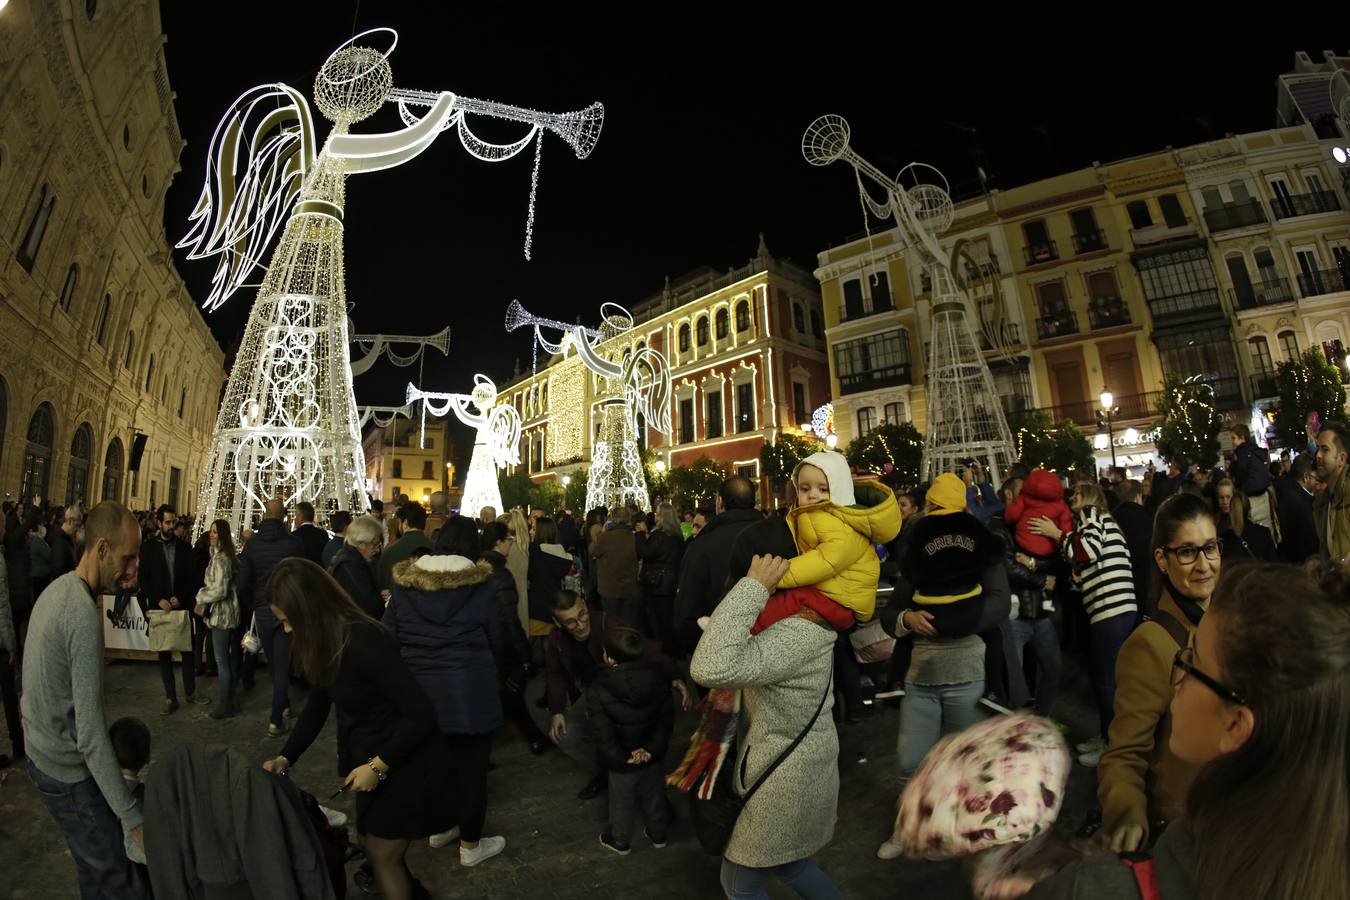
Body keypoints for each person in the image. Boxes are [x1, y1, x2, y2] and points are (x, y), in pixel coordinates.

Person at [1018, 561, 1349, 900]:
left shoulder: (1091, 889)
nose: (1178, 679)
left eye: (1193, 664)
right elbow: (1126, 751)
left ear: (1234, 725)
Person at [261, 559, 452, 900]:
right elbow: (318, 705)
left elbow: (421, 714)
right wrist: (285, 757)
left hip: (403, 761)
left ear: (309, 610)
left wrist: (378, 766)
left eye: (289, 621)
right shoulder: (325, 641)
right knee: (371, 845)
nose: (287, 630)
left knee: (383, 856)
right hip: (371, 761)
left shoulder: (365, 641)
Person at [690, 555, 845, 900]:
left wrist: (753, 586)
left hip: (782, 782)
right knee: (790, 865)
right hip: (787, 772)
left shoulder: (796, 632)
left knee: (739, 886)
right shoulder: (794, 620)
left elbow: (710, 665)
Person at [22, 501, 150, 898]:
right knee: (121, 881)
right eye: (128, 557)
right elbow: (91, 735)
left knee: (95, 871)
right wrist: (134, 821)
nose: (133, 570)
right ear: (101, 549)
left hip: (42, 755)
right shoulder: (79, 611)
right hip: (65, 772)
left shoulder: (59, 588)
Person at [1098, 492, 1218, 851]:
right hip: (1186, 834)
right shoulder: (1150, 644)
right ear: (1162, 560)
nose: (1203, 564)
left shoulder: (1231, 622)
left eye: (1209, 548)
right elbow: (1124, 755)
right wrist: (1128, 819)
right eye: (1187, 552)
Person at [384, 543, 509, 866]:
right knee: (472, 771)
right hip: (471, 691)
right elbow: (498, 637)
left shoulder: (404, 588)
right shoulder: (479, 588)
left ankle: (441, 827)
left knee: (436, 767)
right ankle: (470, 845)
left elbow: (389, 636)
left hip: (420, 693)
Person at [1028, 481, 1137, 763]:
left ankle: (1112, 746)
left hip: (1110, 609)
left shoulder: (1090, 514)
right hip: (1117, 608)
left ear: (1089, 497)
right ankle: (1107, 736)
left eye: (1076, 493)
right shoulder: (1101, 521)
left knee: (1105, 680)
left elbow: (1086, 550)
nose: (1071, 496)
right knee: (1106, 677)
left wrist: (1057, 534)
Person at [774, 451, 901, 624]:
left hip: (845, 602)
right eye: (804, 489)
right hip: (831, 593)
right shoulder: (813, 515)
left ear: (839, 490)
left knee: (784, 603)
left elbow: (824, 561)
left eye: (823, 489)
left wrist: (776, 576)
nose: (812, 494)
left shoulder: (842, 523)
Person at [589, 624, 675, 855]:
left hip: (623, 759)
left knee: (621, 801)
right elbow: (666, 720)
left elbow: (602, 732)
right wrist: (651, 750)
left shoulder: (598, 689)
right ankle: (659, 835)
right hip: (651, 755)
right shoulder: (659, 678)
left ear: (611, 660)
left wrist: (621, 757)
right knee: (655, 796)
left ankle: (619, 840)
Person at [990, 479, 1061, 718]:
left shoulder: (1033, 521)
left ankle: (1039, 720)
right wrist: (1040, 579)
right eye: (1024, 495)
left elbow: (1054, 559)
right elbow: (1007, 566)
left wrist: (1033, 563)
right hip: (1013, 617)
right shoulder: (997, 525)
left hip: (1040, 612)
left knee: (1053, 670)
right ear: (1009, 495)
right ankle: (1013, 734)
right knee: (1013, 681)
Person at [479, 520, 549, 754]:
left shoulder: (480, 568)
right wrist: (524, 654)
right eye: (508, 540)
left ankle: (533, 737)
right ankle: (533, 737)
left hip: (487, 645)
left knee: (509, 697)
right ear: (499, 543)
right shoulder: (500, 574)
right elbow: (509, 619)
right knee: (511, 695)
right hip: (503, 646)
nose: (510, 544)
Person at [673, 476, 763, 656]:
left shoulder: (703, 544)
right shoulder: (775, 535)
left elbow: (688, 605)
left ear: (720, 502)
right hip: (768, 641)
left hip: (716, 644)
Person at [235, 497, 303, 735]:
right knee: (281, 662)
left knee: (275, 661)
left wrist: (252, 603)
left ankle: (281, 705)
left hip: (262, 608)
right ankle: (277, 717)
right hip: (285, 610)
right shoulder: (293, 544)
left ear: (264, 516)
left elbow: (243, 582)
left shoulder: (252, 546)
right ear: (284, 516)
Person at [137, 504, 206, 715]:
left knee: (187, 651)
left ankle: (191, 692)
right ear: (159, 523)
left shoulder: (185, 548)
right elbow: (144, 580)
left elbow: (192, 579)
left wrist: (181, 597)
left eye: (173, 522)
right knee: (164, 654)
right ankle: (170, 697)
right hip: (161, 610)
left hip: (181, 607)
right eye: (167, 522)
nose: (171, 526)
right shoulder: (149, 548)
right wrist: (158, 600)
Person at [194, 519, 241, 720]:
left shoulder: (221, 559)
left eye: (214, 532)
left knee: (221, 660)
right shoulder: (222, 556)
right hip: (225, 613)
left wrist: (201, 596)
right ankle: (228, 698)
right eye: (210, 532)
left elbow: (220, 590)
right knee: (225, 660)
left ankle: (225, 702)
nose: (211, 535)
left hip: (221, 616)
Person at [635, 502, 685, 649]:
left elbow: (646, 552)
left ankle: (662, 650)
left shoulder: (658, 535)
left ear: (662, 517)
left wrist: (640, 535)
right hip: (671, 583)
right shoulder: (677, 536)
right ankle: (672, 650)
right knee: (667, 618)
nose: (655, 517)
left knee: (656, 620)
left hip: (656, 583)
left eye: (657, 514)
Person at [1004, 468, 1072, 562]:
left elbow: (1013, 515)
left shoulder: (1024, 497)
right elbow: (1066, 528)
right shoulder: (1062, 506)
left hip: (1024, 542)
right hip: (1050, 549)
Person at [109, 717, 150, 868]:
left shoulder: (97, 789)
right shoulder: (140, 798)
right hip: (132, 871)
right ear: (147, 757)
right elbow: (135, 850)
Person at [591, 507, 642, 628]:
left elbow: (593, 551)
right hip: (630, 587)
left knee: (611, 623)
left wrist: (602, 532)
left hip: (609, 588)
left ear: (612, 519)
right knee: (628, 622)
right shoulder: (634, 537)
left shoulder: (605, 537)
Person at [1110, 480, 1154, 617]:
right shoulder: (1148, 519)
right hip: (1143, 583)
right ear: (1138, 496)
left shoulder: (1111, 520)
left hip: (1119, 588)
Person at [329, 514, 386, 620]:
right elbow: (368, 605)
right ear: (361, 543)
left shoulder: (351, 559)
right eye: (375, 544)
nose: (377, 550)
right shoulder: (350, 565)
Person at [526, 515, 573, 638]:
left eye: (534, 529)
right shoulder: (561, 556)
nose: (530, 531)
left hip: (536, 613)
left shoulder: (535, 554)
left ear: (543, 532)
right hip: (558, 611)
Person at [1213, 478, 1277, 563]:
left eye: (1228, 497)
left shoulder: (1227, 538)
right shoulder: (1214, 523)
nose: (1225, 501)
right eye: (1221, 497)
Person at [1314, 419, 1350, 562]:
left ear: (1341, 459)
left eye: (1325, 449)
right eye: (1318, 448)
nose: (1318, 455)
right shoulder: (1324, 500)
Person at [378, 503, 433, 591]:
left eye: (399, 522)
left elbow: (382, 585)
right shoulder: (435, 548)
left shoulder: (390, 550)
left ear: (405, 523)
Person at [1274, 454, 1318, 563]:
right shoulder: (1302, 502)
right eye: (1316, 478)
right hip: (1304, 562)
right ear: (1306, 477)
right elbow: (1310, 538)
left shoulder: (1287, 490)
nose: (1317, 482)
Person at [1229, 423, 1273, 529]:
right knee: (1266, 525)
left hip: (1251, 494)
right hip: (1264, 493)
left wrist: (1237, 484)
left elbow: (1241, 470)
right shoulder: (1254, 451)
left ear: (1242, 438)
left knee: (1254, 526)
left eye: (1234, 438)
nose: (1232, 442)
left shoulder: (1242, 451)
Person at [49, 502, 82, 579]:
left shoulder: (66, 538)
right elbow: (58, 570)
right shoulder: (59, 540)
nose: (77, 529)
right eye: (77, 525)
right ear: (70, 521)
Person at [291, 501, 328, 566]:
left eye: (296, 515)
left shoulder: (294, 536)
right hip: (318, 573)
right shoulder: (323, 534)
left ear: (300, 516)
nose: (295, 518)